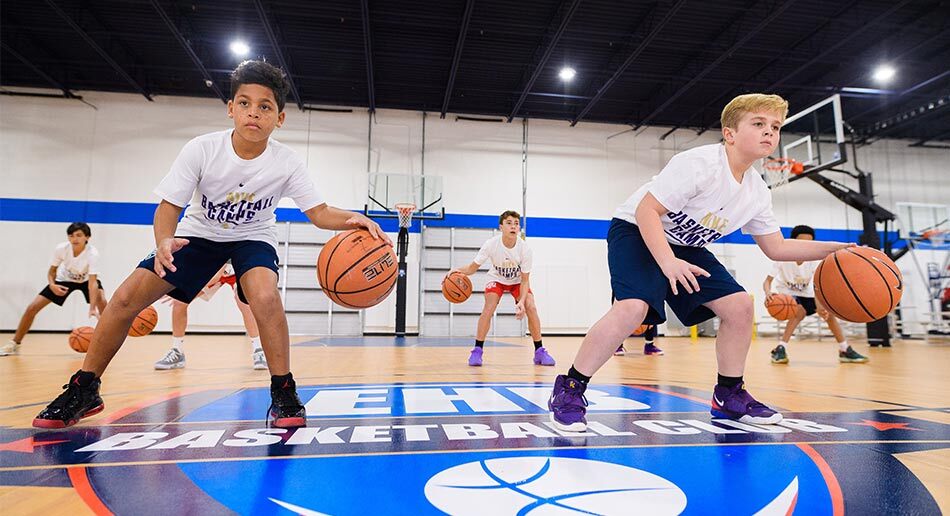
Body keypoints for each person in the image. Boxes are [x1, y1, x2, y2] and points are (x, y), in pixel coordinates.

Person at [32, 60, 389, 429]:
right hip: (198, 234)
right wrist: (163, 240)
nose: (254, 113)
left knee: (265, 297)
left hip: (252, 238)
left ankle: (283, 390)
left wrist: (356, 218)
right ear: (231, 108)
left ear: (279, 118)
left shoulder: (287, 162)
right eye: (245, 103)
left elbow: (319, 212)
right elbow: (169, 206)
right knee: (123, 300)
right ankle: (85, 388)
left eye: (265, 106)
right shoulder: (202, 149)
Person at [547, 93, 853, 432]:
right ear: (729, 134)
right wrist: (667, 262)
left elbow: (776, 247)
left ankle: (729, 394)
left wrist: (836, 250)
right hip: (636, 229)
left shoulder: (757, 191)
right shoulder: (700, 164)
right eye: (758, 123)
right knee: (632, 308)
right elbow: (647, 211)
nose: (770, 131)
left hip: (687, 245)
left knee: (739, 306)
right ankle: (570, 388)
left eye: (775, 126)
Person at [450, 211, 554, 367]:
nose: (513, 226)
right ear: (501, 227)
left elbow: (525, 280)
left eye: (516, 223)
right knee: (489, 307)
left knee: (531, 307)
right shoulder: (491, 244)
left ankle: (539, 351)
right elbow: (472, 268)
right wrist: (455, 270)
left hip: (517, 282)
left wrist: (521, 302)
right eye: (509, 223)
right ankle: (477, 350)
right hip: (496, 279)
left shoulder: (525, 249)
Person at [763, 225, 868, 364]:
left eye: (809, 242)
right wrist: (768, 293)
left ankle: (844, 349)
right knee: (799, 312)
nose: (806, 245)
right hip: (788, 295)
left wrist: (821, 307)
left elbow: (816, 285)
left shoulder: (814, 261)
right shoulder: (782, 258)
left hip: (809, 294)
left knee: (829, 314)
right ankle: (781, 348)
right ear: (793, 242)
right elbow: (767, 281)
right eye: (802, 242)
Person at [2, 222, 108, 356]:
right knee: (32, 307)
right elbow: (52, 271)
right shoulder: (61, 249)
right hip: (64, 280)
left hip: (87, 281)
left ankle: (107, 344)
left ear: (87, 237)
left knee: (104, 305)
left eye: (78, 235)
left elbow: (93, 283)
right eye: (71, 236)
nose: (74, 239)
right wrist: (52, 285)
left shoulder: (93, 254)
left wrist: (92, 308)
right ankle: (14, 344)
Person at [154, 262, 268, 370]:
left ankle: (259, 350)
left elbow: (217, 275)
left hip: (235, 268)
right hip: (214, 270)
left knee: (243, 302)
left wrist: (186, 288)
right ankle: (177, 350)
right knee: (180, 301)